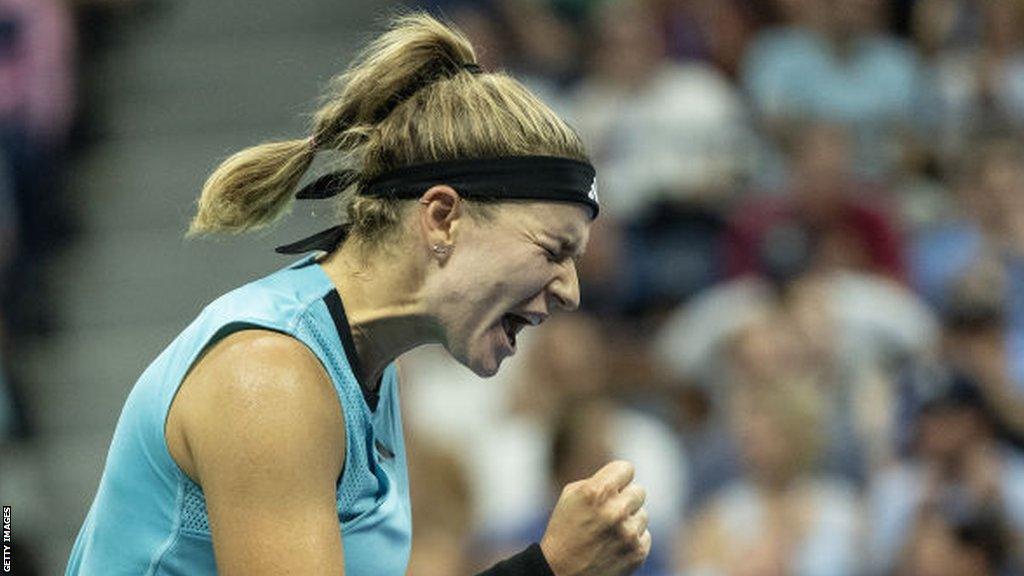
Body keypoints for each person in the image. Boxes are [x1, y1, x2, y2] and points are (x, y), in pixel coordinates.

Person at [65, 13, 650, 576]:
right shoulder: (270, 378)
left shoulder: (367, 364)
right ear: (442, 218)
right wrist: (548, 569)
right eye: (553, 250)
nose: (572, 291)